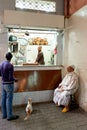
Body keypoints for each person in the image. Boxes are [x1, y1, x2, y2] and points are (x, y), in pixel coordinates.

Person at [0, 52, 19, 121]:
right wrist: (15, 79)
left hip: (3, 84)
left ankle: (4, 114)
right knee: (9, 100)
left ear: (6, 57)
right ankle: (10, 116)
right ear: (11, 58)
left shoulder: (1, 64)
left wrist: (4, 76)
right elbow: (11, 77)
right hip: (9, 85)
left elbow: (0, 74)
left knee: (3, 99)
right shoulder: (10, 65)